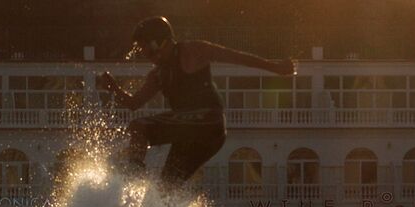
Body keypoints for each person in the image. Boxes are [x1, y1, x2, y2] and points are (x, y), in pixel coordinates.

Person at [98, 16, 294, 196]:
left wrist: (274, 67)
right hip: (202, 137)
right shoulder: (157, 75)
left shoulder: (191, 51)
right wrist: (113, 88)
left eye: (146, 49)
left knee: (139, 126)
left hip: (207, 120)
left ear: (159, 42)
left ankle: (131, 180)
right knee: (162, 191)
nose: (146, 56)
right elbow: (134, 103)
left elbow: (234, 57)